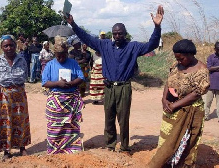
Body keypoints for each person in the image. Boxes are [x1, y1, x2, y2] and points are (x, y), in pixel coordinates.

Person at [65, 5, 164, 153]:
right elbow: (87, 37)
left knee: (123, 119)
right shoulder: (104, 45)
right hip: (109, 87)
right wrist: (73, 24)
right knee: (109, 117)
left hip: (124, 87)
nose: (117, 36)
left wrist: (157, 28)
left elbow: (152, 45)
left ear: (125, 34)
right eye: (115, 33)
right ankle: (110, 145)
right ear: (112, 34)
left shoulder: (133, 47)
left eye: (120, 33)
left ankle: (124, 146)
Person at [148, 39, 210, 168]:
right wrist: (164, 99)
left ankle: (181, 164)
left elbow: (196, 94)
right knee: (168, 140)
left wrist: (175, 105)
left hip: (190, 111)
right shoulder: (176, 65)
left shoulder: (201, 70)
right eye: (177, 58)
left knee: (184, 140)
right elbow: (168, 81)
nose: (179, 62)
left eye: (181, 58)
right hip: (171, 110)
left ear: (190, 55)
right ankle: (165, 162)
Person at [0, 35, 31, 160]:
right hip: (3, 97)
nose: (9, 48)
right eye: (5, 46)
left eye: (11, 45)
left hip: (19, 96)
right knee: (4, 122)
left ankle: (22, 147)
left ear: (15, 45)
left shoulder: (22, 60)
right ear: (1, 47)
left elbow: (25, 76)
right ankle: (6, 150)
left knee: (20, 121)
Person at [42, 36, 85, 154]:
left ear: (67, 53)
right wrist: (58, 84)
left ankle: (71, 148)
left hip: (71, 99)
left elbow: (81, 77)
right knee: (55, 126)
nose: (61, 58)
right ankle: (54, 149)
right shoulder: (50, 64)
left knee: (70, 125)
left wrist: (71, 83)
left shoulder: (73, 63)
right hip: (55, 101)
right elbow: (45, 82)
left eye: (63, 55)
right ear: (54, 54)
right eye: (58, 56)